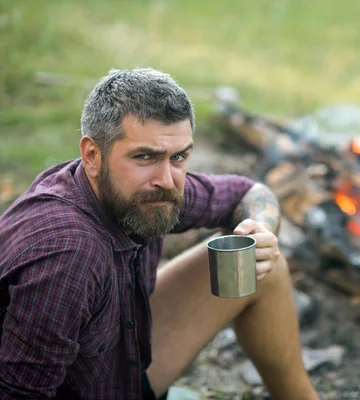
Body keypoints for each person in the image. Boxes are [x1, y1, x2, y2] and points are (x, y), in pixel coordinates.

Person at [0, 68, 320, 400]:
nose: (166, 179)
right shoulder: (69, 254)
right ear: (93, 155)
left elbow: (248, 192)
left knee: (264, 267)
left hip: (116, 370)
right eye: (144, 157)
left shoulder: (144, 192)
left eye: (179, 156)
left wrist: (261, 229)